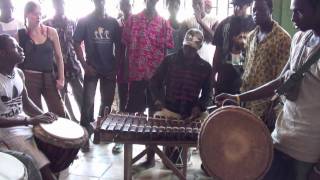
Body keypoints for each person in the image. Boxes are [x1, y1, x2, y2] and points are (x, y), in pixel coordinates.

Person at [215, 0, 320, 178]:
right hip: (280, 137)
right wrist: (239, 98)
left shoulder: (284, 38)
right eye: (292, 11)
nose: (293, 17)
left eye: (299, 12)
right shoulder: (300, 39)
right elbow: (280, 81)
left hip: (307, 150)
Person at [150, 28, 213, 167]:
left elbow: (209, 93)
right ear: (183, 44)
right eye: (186, 47)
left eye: (192, 49)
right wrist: (158, 99)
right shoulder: (169, 60)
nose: (188, 51)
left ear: (199, 48)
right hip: (169, 110)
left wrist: (199, 107)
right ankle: (151, 158)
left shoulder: (206, 67)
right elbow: (154, 81)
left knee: (208, 122)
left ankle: (208, 164)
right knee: (169, 159)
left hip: (191, 114)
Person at [0, 34, 58, 180]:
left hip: (23, 126)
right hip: (5, 133)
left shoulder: (19, 73)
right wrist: (29, 121)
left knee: (55, 153)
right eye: (15, 46)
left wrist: (44, 115)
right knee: (42, 166)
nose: (21, 49)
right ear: (2, 53)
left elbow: (25, 102)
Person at [73, 0, 121, 152]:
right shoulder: (85, 21)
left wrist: (116, 68)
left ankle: (99, 132)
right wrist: (85, 66)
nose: (100, 2)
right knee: (87, 104)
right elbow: (76, 43)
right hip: (92, 69)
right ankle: (84, 137)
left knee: (106, 104)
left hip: (109, 70)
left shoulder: (114, 22)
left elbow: (119, 47)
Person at [240, 0, 291, 130]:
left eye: (260, 10)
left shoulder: (283, 39)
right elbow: (247, 68)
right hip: (246, 102)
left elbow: (283, 79)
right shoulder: (251, 36)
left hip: (266, 107)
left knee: (260, 146)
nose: (256, 13)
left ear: (270, 10)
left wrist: (273, 108)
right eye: (254, 10)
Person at [122, 0, 173, 114]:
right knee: (134, 112)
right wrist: (125, 70)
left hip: (156, 76)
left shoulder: (164, 23)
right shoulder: (132, 20)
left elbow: (166, 53)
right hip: (136, 74)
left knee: (155, 112)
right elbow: (126, 47)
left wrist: (165, 76)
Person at [18, 1, 66, 118]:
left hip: (49, 77)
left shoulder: (51, 32)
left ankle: (60, 136)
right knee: (35, 114)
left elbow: (59, 57)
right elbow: (17, 61)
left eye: (40, 13)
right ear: (27, 15)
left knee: (59, 112)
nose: (38, 16)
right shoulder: (20, 34)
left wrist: (61, 78)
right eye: (35, 14)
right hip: (29, 78)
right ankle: (39, 137)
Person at [44, 0, 83, 123]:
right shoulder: (46, 24)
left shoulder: (72, 22)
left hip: (73, 66)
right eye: (58, 4)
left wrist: (82, 64)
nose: (60, 6)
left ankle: (85, 121)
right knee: (63, 99)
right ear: (53, 5)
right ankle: (72, 122)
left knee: (81, 96)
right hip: (57, 68)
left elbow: (77, 44)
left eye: (62, 4)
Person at [212, 0, 255, 96]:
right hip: (225, 76)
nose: (236, 9)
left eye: (240, 6)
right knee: (223, 108)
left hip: (247, 76)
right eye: (235, 5)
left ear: (248, 5)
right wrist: (213, 76)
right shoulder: (223, 24)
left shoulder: (254, 25)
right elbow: (217, 53)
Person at [112, 0, 132, 154]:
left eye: (128, 4)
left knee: (135, 106)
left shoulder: (137, 21)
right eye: (123, 4)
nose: (125, 7)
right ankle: (120, 138)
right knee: (122, 104)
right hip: (121, 68)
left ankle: (133, 135)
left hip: (136, 69)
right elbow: (117, 48)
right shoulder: (116, 24)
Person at [181, 0, 219, 65]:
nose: (198, 6)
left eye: (200, 3)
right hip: (190, 60)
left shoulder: (213, 20)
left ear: (204, 4)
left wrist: (200, 22)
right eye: (195, 4)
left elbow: (214, 39)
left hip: (207, 59)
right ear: (192, 6)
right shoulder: (186, 21)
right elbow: (184, 42)